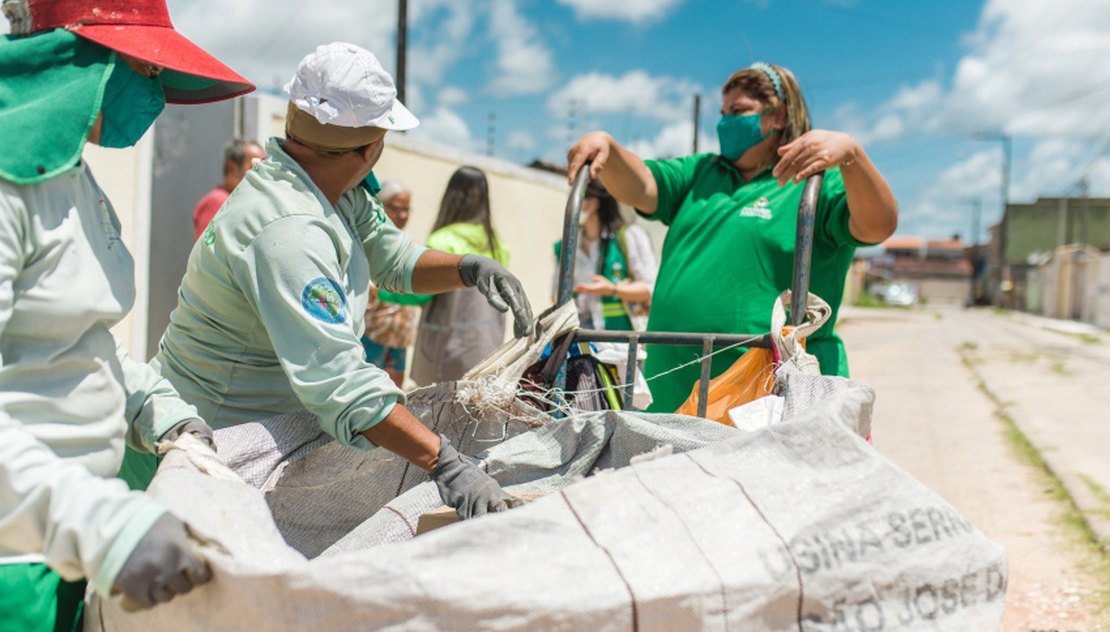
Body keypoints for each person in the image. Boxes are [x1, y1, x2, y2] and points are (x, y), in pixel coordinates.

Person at [152, 43, 533, 522]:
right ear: (371, 148)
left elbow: (395, 259)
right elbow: (342, 384)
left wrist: (468, 268)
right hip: (216, 444)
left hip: (271, 427)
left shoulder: (331, 190)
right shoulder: (287, 230)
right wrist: (448, 464)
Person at [0, 0, 255, 632]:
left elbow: (80, 345)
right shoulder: (9, 186)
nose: (157, 93)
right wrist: (103, 523)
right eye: (142, 70)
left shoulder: (77, 180)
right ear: (76, 59)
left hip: (68, 542)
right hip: (15, 560)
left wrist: (156, 408)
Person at [566, 61, 897, 412]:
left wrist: (853, 157)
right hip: (674, 387)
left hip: (768, 395)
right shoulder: (701, 174)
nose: (725, 122)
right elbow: (643, 185)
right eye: (723, 112)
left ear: (779, 116)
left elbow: (878, 226)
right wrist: (608, 148)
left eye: (738, 112)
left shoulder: (815, 183)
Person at [410, 166, 512, 385]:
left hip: (444, 354)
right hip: (486, 351)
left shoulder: (442, 240)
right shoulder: (498, 247)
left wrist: (382, 292)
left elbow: (419, 293)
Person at [553, 178, 657, 331]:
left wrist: (614, 290)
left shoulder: (629, 237)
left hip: (621, 344)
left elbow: (650, 288)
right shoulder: (566, 245)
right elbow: (556, 294)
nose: (574, 205)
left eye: (580, 197)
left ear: (594, 202)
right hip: (580, 342)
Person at [361, 179, 424, 387]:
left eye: (407, 210)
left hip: (399, 338)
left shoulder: (408, 243)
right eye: (397, 209)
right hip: (371, 334)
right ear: (381, 205)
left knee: (394, 393)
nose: (403, 215)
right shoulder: (368, 240)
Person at [192, 138, 265, 240]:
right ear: (231, 167)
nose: (260, 172)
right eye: (253, 165)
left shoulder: (241, 200)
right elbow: (208, 249)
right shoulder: (218, 202)